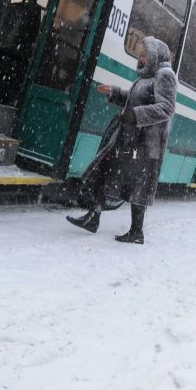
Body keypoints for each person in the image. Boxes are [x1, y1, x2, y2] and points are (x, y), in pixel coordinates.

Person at [66, 36, 177, 244]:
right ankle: (94, 216)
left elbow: (167, 108)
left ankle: (137, 232)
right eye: (141, 54)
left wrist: (135, 115)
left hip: (145, 144)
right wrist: (116, 93)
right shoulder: (147, 76)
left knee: (137, 186)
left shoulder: (165, 75)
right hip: (129, 139)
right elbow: (135, 99)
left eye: (144, 54)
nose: (141, 58)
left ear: (155, 55)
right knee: (107, 171)